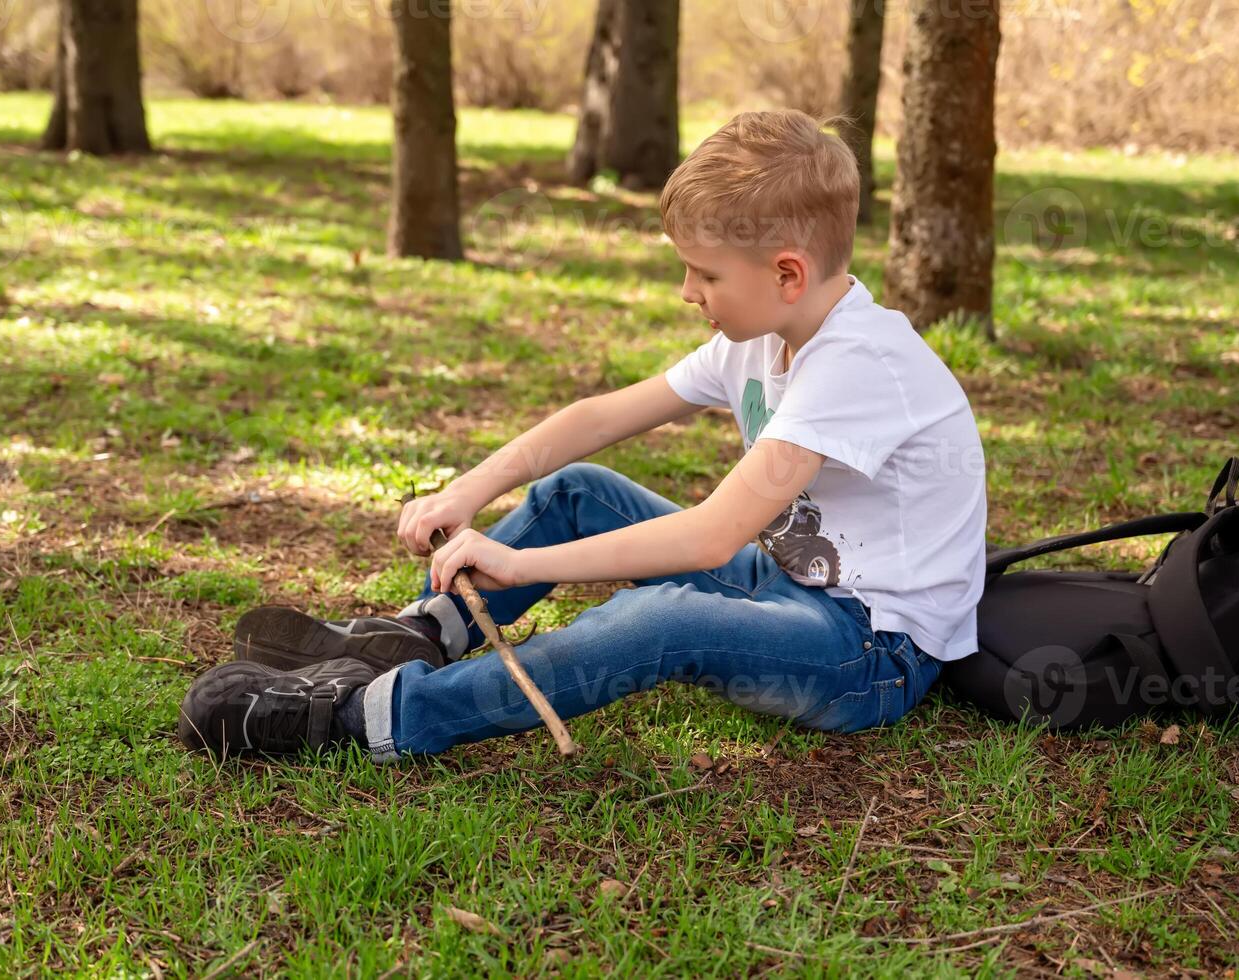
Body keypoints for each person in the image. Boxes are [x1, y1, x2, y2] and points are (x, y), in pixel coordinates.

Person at [177, 109, 987, 763]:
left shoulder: (860, 363)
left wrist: (521, 562)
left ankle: (370, 717)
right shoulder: (762, 332)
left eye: (704, 274)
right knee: (576, 492)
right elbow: (601, 417)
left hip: (868, 653)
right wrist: (473, 489)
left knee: (661, 621)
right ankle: (420, 633)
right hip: (787, 583)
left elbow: (709, 538)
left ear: (786, 273)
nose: (686, 292)